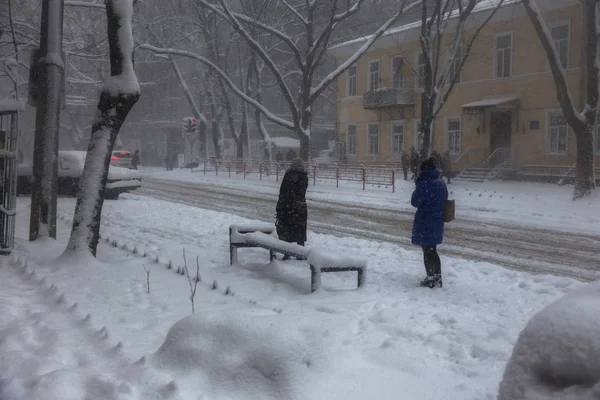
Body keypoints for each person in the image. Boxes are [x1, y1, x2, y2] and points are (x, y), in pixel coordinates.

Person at [411, 157, 448, 288]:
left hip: (425, 220)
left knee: (427, 250)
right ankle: (438, 276)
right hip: (437, 220)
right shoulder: (441, 183)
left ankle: (430, 278)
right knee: (433, 249)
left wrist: (418, 186)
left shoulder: (424, 184)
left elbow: (414, 202)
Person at [275, 158, 309, 260]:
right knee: (300, 231)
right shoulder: (304, 177)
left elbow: (283, 192)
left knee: (287, 230)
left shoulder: (289, 175)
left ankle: (287, 252)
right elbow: (301, 193)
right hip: (301, 207)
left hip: (288, 206)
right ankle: (300, 252)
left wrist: (279, 207)